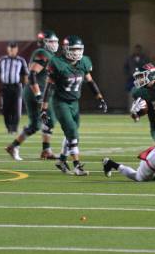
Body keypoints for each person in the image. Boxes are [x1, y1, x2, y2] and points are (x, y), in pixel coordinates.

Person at [41, 35, 107, 176]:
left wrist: (100, 98)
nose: (77, 52)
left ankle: (62, 160)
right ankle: (77, 165)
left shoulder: (83, 62)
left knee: (72, 133)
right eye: (73, 49)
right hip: (60, 102)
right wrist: (44, 108)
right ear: (65, 49)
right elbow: (48, 88)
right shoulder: (57, 63)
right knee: (72, 131)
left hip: (74, 103)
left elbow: (90, 82)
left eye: (79, 49)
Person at [6, 30, 60, 161]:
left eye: (55, 41)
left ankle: (14, 146)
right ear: (44, 43)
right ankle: (46, 150)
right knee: (50, 120)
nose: (55, 44)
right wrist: (38, 95)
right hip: (37, 92)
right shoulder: (42, 53)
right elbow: (32, 75)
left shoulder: (48, 54)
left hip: (34, 92)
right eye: (52, 41)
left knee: (35, 124)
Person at [0, 41, 29, 139]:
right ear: (7, 49)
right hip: (5, 86)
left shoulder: (21, 60)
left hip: (16, 87)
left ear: (17, 49)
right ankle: (9, 127)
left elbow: (25, 75)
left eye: (14, 48)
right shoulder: (2, 60)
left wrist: (26, 87)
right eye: (10, 48)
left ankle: (14, 128)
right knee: (5, 108)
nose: (12, 50)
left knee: (16, 108)